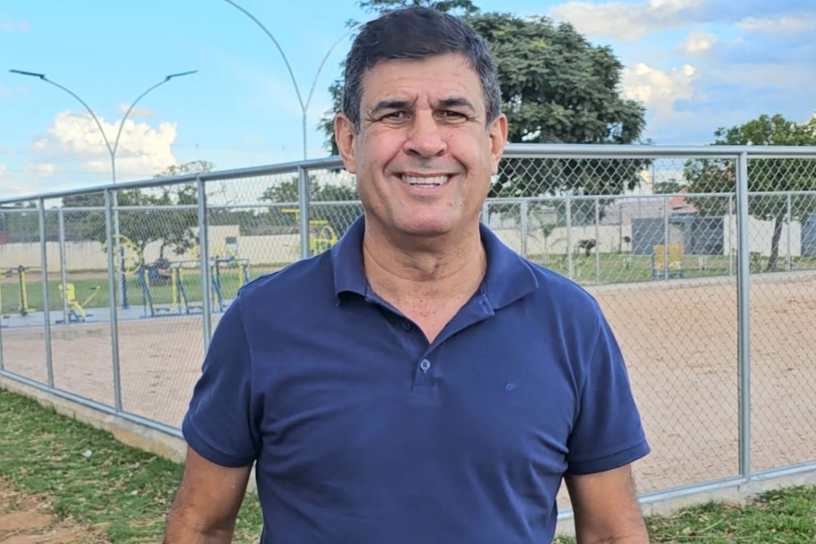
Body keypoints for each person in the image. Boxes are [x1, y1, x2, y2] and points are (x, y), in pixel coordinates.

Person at [164, 7, 650, 543]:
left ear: (493, 141)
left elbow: (611, 532)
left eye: (452, 113)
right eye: (394, 114)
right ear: (349, 142)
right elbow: (201, 525)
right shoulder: (261, 321)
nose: (425, 141)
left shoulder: (570, 322)